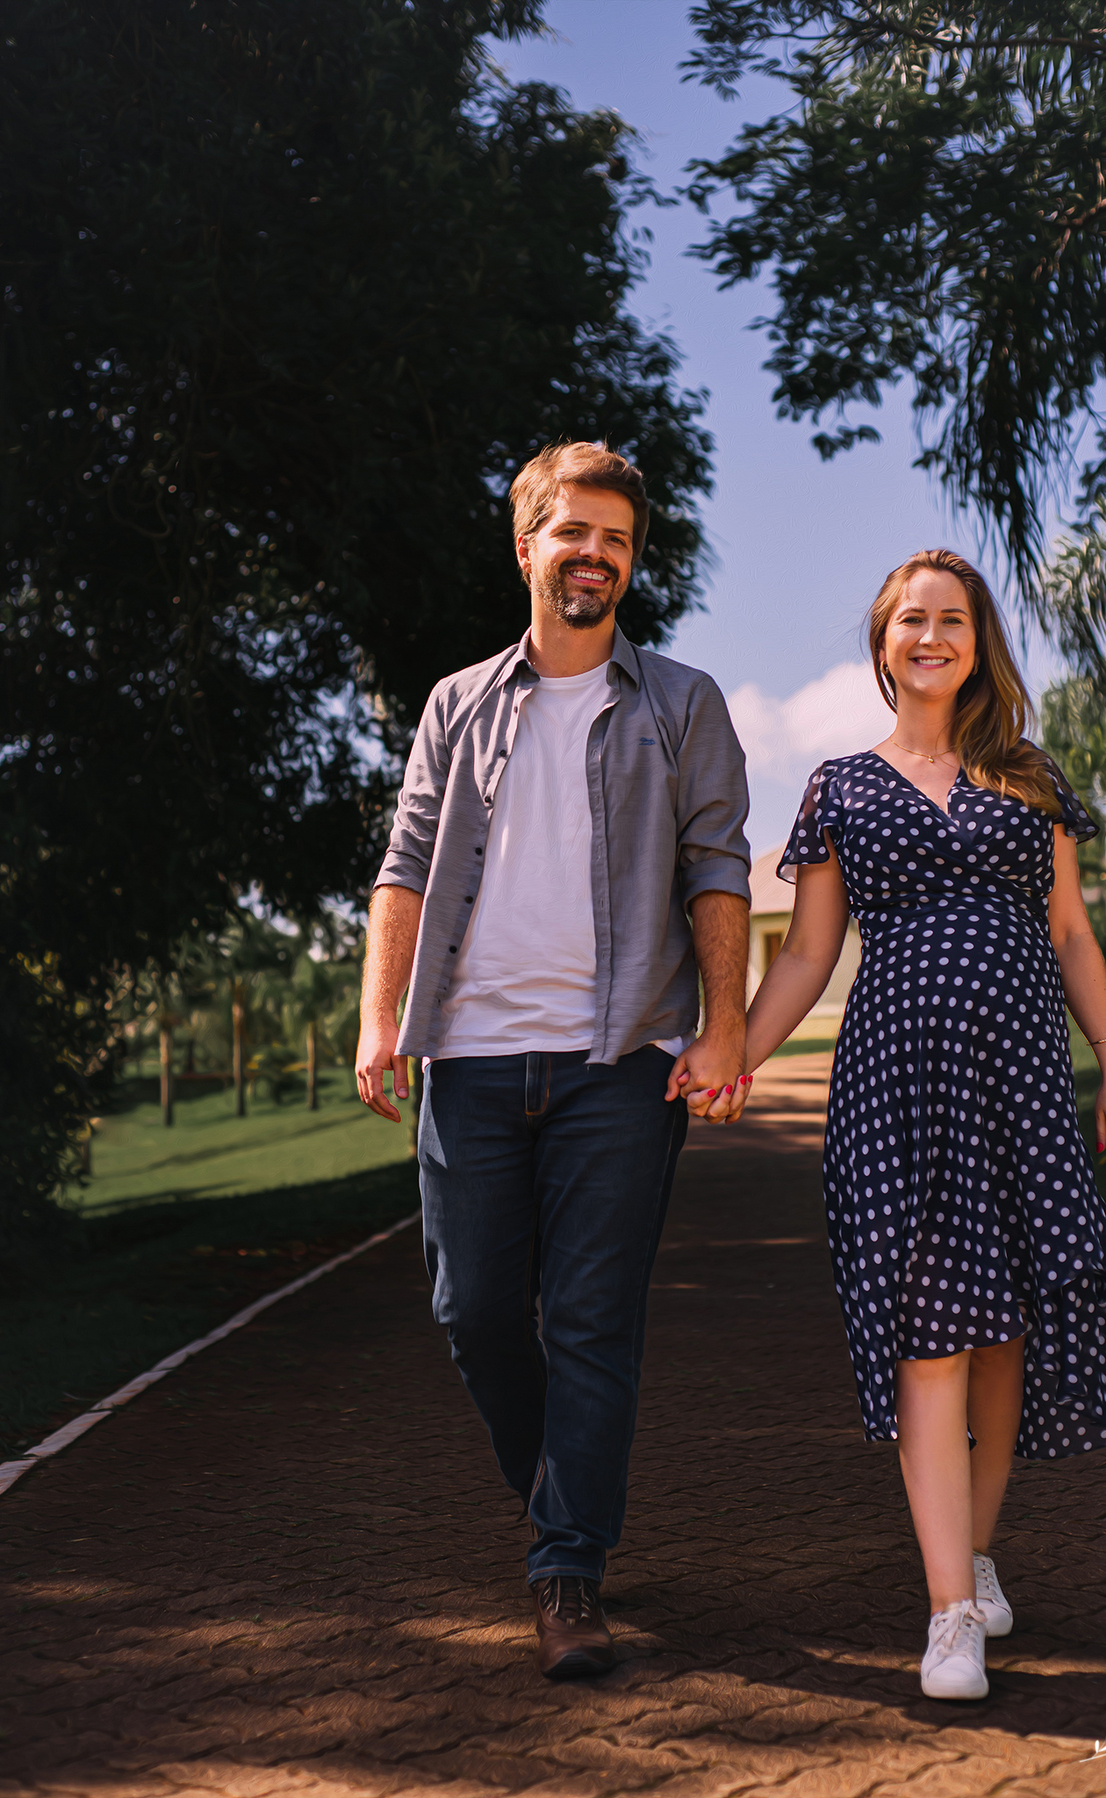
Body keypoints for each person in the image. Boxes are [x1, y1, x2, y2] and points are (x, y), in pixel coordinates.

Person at [745, 549, 1106, 1702]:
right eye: (910, 620)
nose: (931, 635)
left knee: (1005, 1328)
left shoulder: (1029, 778)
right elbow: (806, 950)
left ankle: (975, 1555)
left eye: (953, 619)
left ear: (977, 642)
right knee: (931, 1332)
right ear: (883, 644)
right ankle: (949, 1615)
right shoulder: (840, 785)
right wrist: (729, 1050)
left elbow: (1075, 935)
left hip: (1024, 1083)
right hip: (895, 1088)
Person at [355, 441, 752, 1680]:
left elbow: (719, 869)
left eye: (617, 541)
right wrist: (382, 1021)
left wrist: (725, 1024)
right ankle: (558, 1500)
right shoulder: (455, 703)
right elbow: (406, 867)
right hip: (468, 1058)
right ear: (525, 545)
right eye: (572, 533)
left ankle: (568, 1570)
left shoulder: (682, 702)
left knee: (590, 1322)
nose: (595, 557)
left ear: (634, 561)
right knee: (472, 1309)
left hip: (616, 1061)